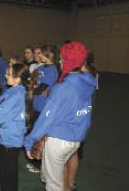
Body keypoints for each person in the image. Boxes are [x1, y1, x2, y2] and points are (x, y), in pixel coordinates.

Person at [24, 42, 97, 191]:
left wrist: (30, 140)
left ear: (70, 62)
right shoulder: (87, 85)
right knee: (53, 175)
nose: (60, 61)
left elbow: (47, 118)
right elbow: (86, 116)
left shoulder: (63, 88)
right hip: (75, 140)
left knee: (53, 186)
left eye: (63, 59)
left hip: (58, 141)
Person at [0, 63, 33, 191]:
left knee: (5, 175)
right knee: (10, 174)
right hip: (9, 139)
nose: (5, 76)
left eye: (8, 74)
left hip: (11, 141)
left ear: (17, 79)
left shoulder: (16, 96)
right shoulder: (11, 91)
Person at [63, 50, 97, 191]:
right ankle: (71, 182)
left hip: (74, 118)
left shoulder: (81, 73)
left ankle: (65, 186)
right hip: (82, 117)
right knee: (74, 152)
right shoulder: (92, 71)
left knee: (64, 157)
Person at [28, 45, 59, 173]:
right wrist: (32, 88)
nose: (39, 55)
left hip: (44, 107)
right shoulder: (39, 67)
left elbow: (41, 88)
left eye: (43, 54)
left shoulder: (52, 70)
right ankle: (35, 159)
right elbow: (32, 84)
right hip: (35, 105)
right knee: (33, 133)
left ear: (50, 55)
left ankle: (41, 165)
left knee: (41, 136)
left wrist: (32, 90)